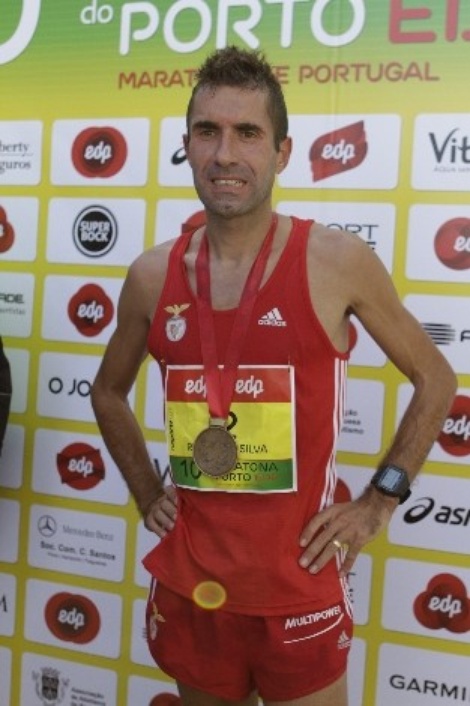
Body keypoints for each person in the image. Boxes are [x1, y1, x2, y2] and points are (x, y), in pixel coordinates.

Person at [91, 46, 457, 706]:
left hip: (298, 587)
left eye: (248, 133)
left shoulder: (335, 261)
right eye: (208, 131)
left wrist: (379, 501)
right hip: (192, 584)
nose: (225, 154)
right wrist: (147, 492)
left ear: (282, 152)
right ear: (186, 145)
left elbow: (436, 377)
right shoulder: (151, 275)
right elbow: (107, 391)